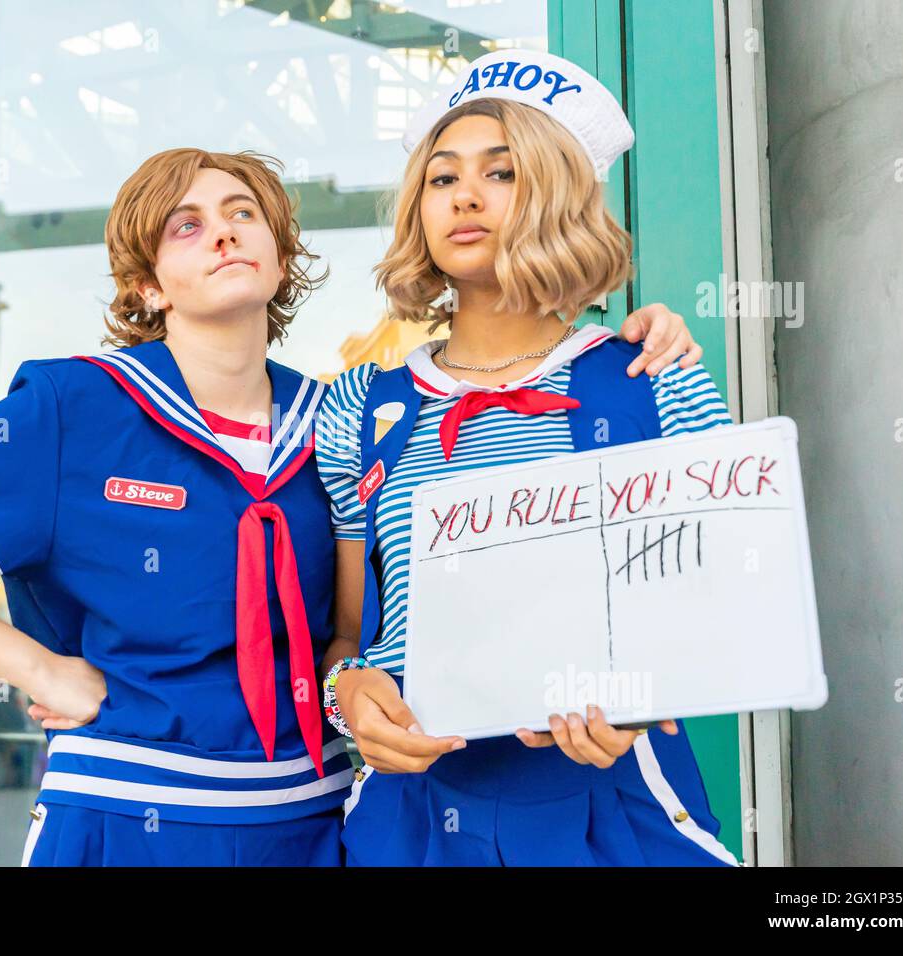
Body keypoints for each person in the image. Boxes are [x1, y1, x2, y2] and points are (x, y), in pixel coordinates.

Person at [0, 140, 706, 867]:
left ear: (282, 258)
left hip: (314, 822)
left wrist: (631, 339)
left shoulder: (339, 419)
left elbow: (362, 625)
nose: (224, 233)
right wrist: (36, 670)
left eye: (243, 216)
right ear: (148, 286)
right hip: (129, 816)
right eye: (187, 226)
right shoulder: (74, 410)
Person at [315, 49, 741, 867]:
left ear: (555, 195)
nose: (466, 196)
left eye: (502, 173)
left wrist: (642, 698)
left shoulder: (653, 380)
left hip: (617, 800)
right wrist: (346, 699)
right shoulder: (357, 408)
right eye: (442, 179)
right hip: (410, 815)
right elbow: (346, 640)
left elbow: (717, 611)